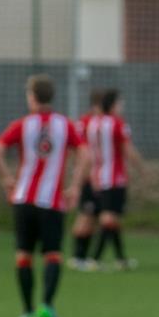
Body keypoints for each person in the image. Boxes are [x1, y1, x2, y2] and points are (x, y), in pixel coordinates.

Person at [0, 74, 90, 317]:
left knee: (24, 255)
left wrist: (7, 179)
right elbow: (86, 156)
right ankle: (47, 305)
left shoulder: (22, 124)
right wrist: (74, 186)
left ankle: (27, 310)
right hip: (52, 201)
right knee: (52, 254)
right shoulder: (66, 125)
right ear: (51, 96)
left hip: (23, 199)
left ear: (31, 96)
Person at [87, 89, 144, 271]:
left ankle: (121, 259)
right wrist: (141, 168)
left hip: (97, 177)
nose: (122, 106)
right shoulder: (117, 123)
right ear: (112, 104)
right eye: (120, 103)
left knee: (113, 219)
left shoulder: (93, 123)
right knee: (108, 219)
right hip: (114, 179)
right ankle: (94, 259)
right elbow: (127, 148)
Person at [69, 89, 103, 270]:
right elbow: (81, 153)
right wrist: (87, 175)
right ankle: (77, 256)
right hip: (90, 178)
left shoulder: (92, 123)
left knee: (94, 219)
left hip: (96, 177)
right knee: (86, 217)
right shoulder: (86, 123)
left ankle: (83, 257)